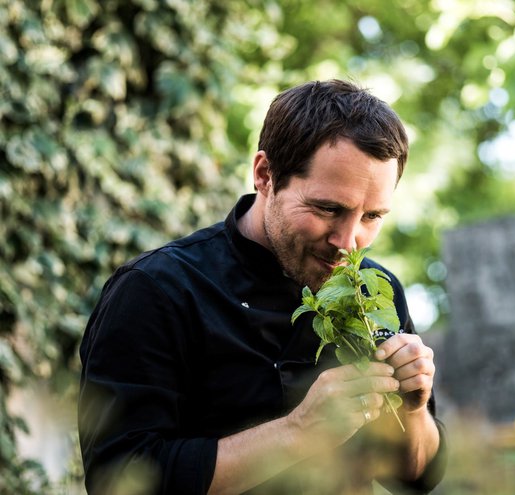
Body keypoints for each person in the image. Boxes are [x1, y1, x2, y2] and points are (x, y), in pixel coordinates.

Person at [78, 79, 447, 495]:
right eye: (328, 209)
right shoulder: (156, 290)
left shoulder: (376, 292)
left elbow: (415, 477)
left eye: (372, 217)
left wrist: (414, 410)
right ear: (264, 174)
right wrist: (298, 431)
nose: (348, 243)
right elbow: (118, 479)